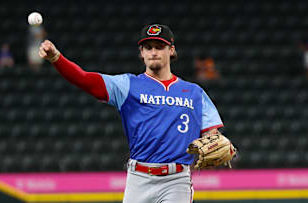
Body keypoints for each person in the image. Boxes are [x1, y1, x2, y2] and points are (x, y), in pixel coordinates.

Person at [39, 24, 224, 203]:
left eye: (160, 47)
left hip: (177, 180)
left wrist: (211, 138)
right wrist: (57, 58)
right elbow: (85, 79)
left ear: (172, 51)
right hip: (139, 178)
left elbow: (211, 132)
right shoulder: (128, 85)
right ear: (141, 53)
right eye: (148, 47)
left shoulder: (194, 92)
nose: (153, 52)